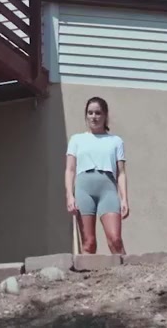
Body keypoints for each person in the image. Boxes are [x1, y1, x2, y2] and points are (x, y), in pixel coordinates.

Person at [64, 96, 129, 255]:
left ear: (105, 115)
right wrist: (70, 196)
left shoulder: (116, 141)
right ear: (86, 115)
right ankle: (88, 272)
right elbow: (70, 170)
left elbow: (121, 173)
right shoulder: (76, 139)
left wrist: (124, 199)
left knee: (115, 239)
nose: (94, 117)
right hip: (84, 190)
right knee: (89, 243)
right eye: (90, 113)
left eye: (98, 113)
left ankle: (125, 269)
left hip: (108, 189)